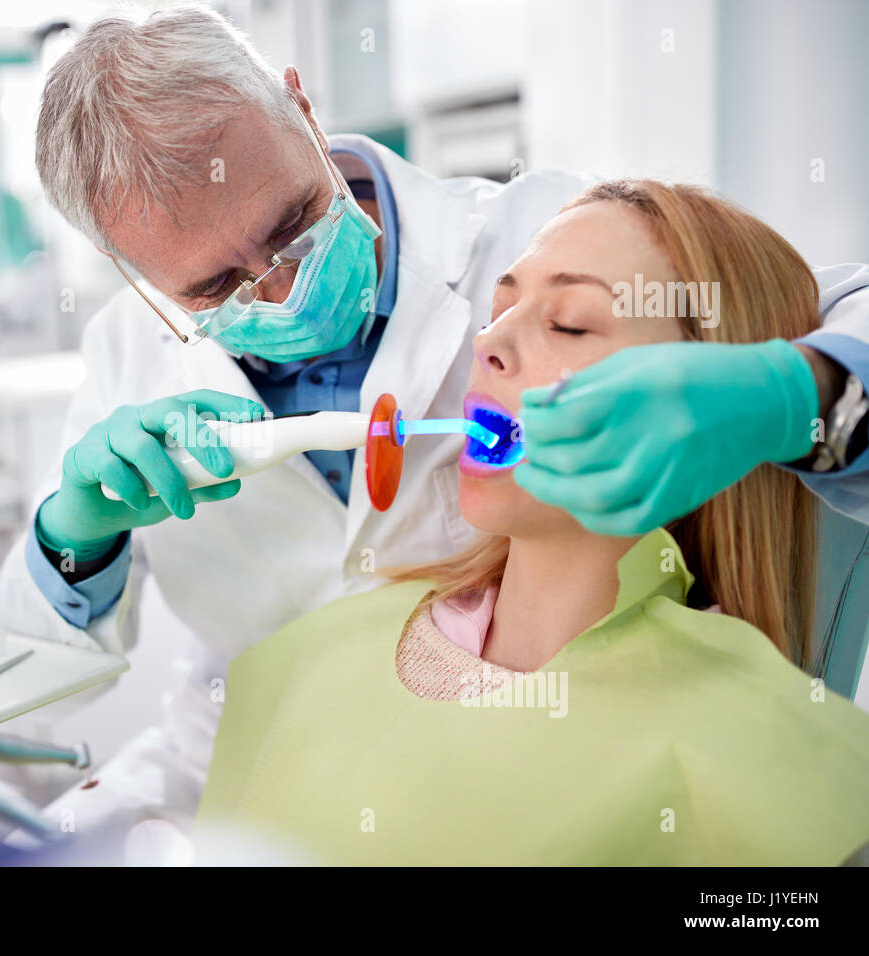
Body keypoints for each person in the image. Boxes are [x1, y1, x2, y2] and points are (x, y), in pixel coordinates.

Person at [0, 5, 869, 833]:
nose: (284, 291)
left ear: (302, 108)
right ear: (125, 266)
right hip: (242, 775)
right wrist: (74, 539)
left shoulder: (537, 229)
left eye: (294, 223)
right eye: (219, 288)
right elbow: (2, 702)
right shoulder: (124, 359)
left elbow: (795, 305)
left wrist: (790, 394)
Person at [193, 180, 869, 865]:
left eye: (570, 322)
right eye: (499, 307)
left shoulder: (751, 744)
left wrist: (786, 398)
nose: (487, 341)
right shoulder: (315, 651)